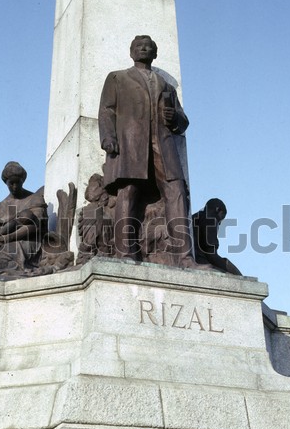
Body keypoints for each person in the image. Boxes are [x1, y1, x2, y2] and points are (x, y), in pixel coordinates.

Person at [98, 35, 194, 265]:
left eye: (148, 46)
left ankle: (185, 256)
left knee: (177, 191)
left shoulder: (167, 86)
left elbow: (183, 121)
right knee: (128, 192)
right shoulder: (117, 78)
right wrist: (108, 137)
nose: (143, 48)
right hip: (131, 145)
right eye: (139, 46)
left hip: (163, 145)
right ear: (131, 52)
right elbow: (107, 110)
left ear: (155, 53)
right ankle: (125, 252)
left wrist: (175, 118)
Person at [192, 198, 242, 275]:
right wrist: (234, 271)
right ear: (217, 210)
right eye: (222, 217)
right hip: (201, 263)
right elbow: (211, 255)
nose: (220, 223)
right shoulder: (210, 219)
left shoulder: (193, 218)